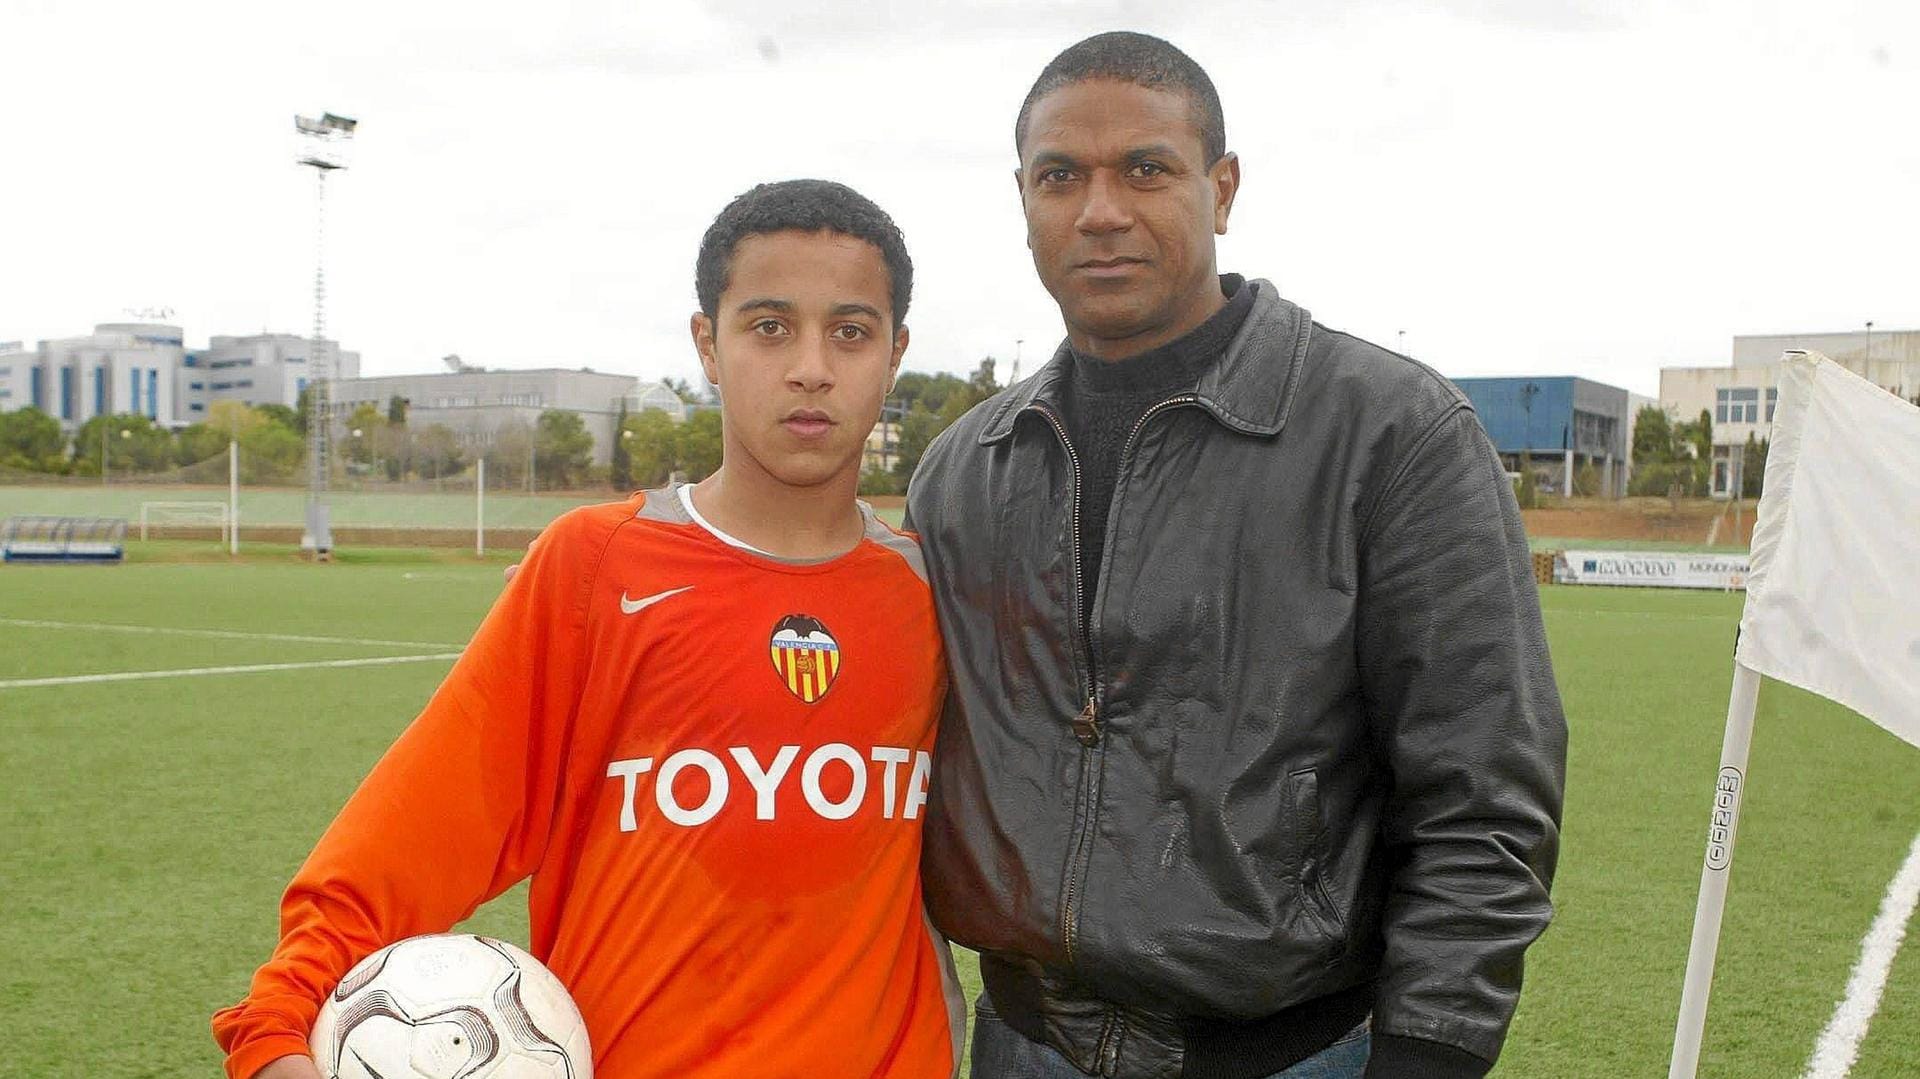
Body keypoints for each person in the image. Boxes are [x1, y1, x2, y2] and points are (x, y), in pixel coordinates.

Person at [906, 32, 1567, 1079]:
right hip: (1019, 1044)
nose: (1102, 209)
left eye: (1147, 169)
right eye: (1061, 175)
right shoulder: (962, 468)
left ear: (1222, 189)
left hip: (1296, 1053)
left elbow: (1483, 790)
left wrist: (1431, 1051)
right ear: (1024, 201)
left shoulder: (1391, 433)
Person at [213, 179, 966, 1079]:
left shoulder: (938, 592)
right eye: (770, 325)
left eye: (851, 330)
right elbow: (401, 844)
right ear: (708, 346)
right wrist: (273, 1036)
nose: (812, 364)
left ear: (895, 354)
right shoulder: (596, 568)